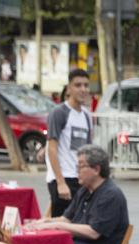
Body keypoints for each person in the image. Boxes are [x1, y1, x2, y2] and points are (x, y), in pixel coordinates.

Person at [28, 144, 129, 244]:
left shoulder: (111, 194)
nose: (77, 170)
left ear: (96, 169)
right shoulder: (84, 190)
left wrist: (57, 225)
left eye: (81, 166)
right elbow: (66, 219)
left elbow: (94, 232)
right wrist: (42, 223)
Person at [45, 68, 94, 217]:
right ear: (69, 88)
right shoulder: (59, 112)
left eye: (86, 85)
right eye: (78, 85)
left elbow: (88, 149)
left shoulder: (87, 115)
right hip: (63, 178)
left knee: (78, 227)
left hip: (80, 179)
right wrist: (60, 182)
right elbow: (52, 148)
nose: (83, 89)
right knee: (60, 228)